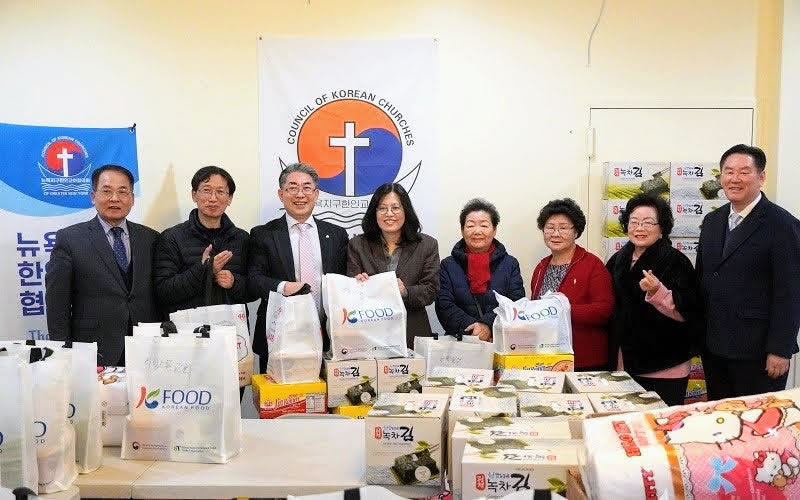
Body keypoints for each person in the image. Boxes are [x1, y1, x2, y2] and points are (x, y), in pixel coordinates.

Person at [698, 144, 800, 399]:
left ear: (761, 177)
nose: (734, 179)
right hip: (714, 347)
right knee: (720, 416)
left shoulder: (783, 225)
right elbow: (704, 280)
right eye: (728, 171)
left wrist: (780, 349)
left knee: (756, 419)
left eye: (744, 172)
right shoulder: (713, 221)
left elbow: (790, 293)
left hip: (758, 353)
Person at [45, 164, 160, 366]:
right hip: (94, 348)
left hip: (146, 346)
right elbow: (57, 304)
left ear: (132, 199)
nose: (115, 198)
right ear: (93, 196)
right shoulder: (70, 239)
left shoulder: (151, 238)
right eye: (106, 191)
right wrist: (63, 353)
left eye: (122, 192)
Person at [247, 163, 349, 373]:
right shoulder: (263, 234)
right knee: (279, 393)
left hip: (328, 335)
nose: (300, 194)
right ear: (281, 194)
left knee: (326, 393)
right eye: (292, 188)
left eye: (307, 188)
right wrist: (283, 287)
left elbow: (344, 280)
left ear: (316, 194)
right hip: (279, 335)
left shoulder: (336, 234)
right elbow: (254, 279)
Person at [606, 193, 698, 406]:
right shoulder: (618, 259)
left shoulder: (676, 261)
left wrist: (658, 291)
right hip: (625, 363)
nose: (639, 228)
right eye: (634, 222)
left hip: (665, 365)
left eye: (648, 223)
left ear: (661, 228)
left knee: (661, 423)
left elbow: (689, 311)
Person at [347, 183, 440, 348]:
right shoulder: (357, 245)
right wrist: (358, 284)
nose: (389, 214)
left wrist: (406, 291)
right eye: (382, 208)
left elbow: (431, 290)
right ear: (374, 212)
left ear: (406, 211)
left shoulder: (427, 245)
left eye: (395, 208)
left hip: (412, 332)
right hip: (369, 333)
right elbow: (349, 291)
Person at [530, 198, 614, 371]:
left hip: (585, 361)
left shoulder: (592, 264)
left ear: (576, 231)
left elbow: (605, 310)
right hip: (547, 359)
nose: (555, 233)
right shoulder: (541, 267)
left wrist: (565, 308)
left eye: (563, 228)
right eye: (550, 227)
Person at [154, 166, 250, 314]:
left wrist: (234, 282)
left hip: (232, 325)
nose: (213, 198)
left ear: (229, 198)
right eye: (206, 190)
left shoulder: (242, 238)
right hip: (189, 326)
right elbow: (163, 291)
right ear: (194, 195)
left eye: (220, 192)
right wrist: (204, 270)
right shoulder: (171, 237)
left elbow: (254, 289)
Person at [436, 198, 525, 340]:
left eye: (484, 225)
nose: (477, 231)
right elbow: (443, 305)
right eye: (470, 226)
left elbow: (516, 303)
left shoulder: (510, 264)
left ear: (494, 230)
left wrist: (488, 326)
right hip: (461, 342)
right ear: (462, 230)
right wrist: (473, 328)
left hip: (499, 341)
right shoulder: (448, 265)